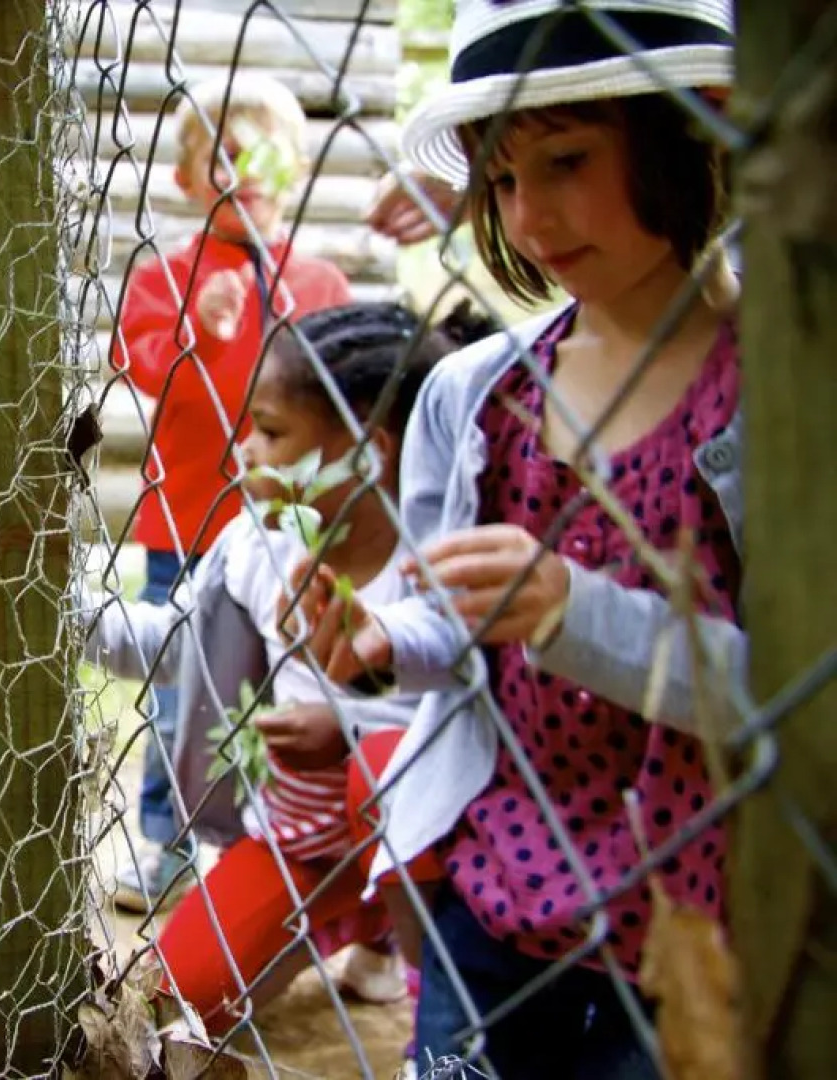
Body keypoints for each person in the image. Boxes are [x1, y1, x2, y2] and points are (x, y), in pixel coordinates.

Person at [297, 1, 742, 1075]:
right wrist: (375, 643)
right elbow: (452, 620)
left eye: (567, 160)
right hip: (494, 905)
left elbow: (797, 697)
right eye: (499, 179)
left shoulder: (778, 400)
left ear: (701, 131)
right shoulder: (475, 394)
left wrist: (576, 615)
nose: (529, 216)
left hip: (709, 927)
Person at [83, 301, 495, 1032]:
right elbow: (182, 649)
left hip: (432, 848)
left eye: (270, 432)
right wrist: (69, 621)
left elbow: (479, 711)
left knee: (378, 765)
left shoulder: (445, 560)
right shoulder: (258, 544)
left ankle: (426, 986)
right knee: (173, 1001)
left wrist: (344, 726)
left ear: (367, 453)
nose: (243, 451)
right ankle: (350, 921)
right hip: (298, 843)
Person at [110, 71, 352, 912]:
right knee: (179, 689)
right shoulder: (166, 278)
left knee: (289, 686)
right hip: (188, 520)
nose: (245, 169)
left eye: (265, 154)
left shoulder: (316, 283)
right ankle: (167, 846)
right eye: (222, 154)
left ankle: (280, 841)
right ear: (186, 178)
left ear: (296, 168)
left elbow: (342, 396)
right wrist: (190, 330)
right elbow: (138, 363)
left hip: (290, 527)